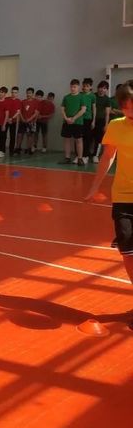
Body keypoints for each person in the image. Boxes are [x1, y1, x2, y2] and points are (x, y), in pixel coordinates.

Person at [84, 80, 133, 299]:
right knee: (128, 253)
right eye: (124, 107)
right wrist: (94, 187)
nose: (128, 110)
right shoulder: (116, 125)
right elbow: (108, 157)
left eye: (131, 105)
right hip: (122, 196)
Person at [59, 79, 86, 166]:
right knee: (67, 139)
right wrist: (66, 118)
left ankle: (80, 158)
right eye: (71, 87)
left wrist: (74, 118)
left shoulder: (82, 97)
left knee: (79, 140)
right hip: (67, 122)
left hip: (78, 122)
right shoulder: (66, 97)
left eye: (74, 87)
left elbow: (83, 109)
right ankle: (67, 158)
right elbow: (62, 109)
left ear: (78, 87)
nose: (73, 88)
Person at [92, 80, 111, 163]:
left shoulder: (107, 99)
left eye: (104, 88)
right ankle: (85, 155)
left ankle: (96, 155)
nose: (102, 90)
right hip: (91, 120)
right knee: (88, 138)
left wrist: (106, 124)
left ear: (106, 90)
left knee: (99, 139)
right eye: (100, 87)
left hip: (101, 121)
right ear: (97, 88)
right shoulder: (93, 96)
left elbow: (107, 113)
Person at [16, 87, 39, 155]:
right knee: (20, 135)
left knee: (30, 135)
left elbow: (36, 113)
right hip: (22, 121)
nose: (28, 94)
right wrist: (22, 119)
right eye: (27, 93)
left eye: (30, 93)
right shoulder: (23, 101)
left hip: (31, 122)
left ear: (32, 94)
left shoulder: (35, 102)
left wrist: (30, 119)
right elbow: (20, 111)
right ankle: (18, 148)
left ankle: (29, 149)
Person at [80, 78, 97, 164]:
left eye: (87, 86)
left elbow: (94, 108)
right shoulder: (80, 94)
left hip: (88, 119)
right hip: (80, 119)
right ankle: (79, 155)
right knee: (79, 138)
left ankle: (86, 156)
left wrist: (93, 120)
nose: (85, 87)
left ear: (90, 87)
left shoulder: (92, 96)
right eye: (84, 86)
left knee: (87, 138)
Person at [6, 86, 22, 156]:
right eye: (12, 92)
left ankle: (11, 151)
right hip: (6, 120)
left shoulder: (19, 101)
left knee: (12, 136)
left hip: (13, 121)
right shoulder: (7, 99)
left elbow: (18, 112)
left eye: (15, 93)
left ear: (17, 93)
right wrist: (7, 118)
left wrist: (11, 118)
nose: (13, 94)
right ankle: (2, 150)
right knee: (3, 136)